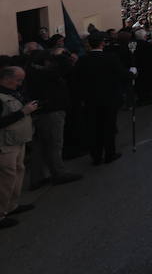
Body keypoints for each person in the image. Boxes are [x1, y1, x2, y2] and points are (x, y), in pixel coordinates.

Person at [24, 51, 81, 188]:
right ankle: (59, 173)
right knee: (54, 144)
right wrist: (60, 55)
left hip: (40, 111)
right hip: (51, 111)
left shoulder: (30, 72)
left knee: (39, 146)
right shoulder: (46, 74)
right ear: (45, 62)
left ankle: (37, 177)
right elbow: (66, 67)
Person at [75, 32, 130, 165]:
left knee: (94, 128)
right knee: (109, 127)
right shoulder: (110, 58)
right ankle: (109, 154)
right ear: (102, 43)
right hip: (109, 99)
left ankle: (96, 156)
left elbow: (77, 80)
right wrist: (132, 74)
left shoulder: (82, 60)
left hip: (90, 100)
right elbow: (123, 74)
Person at [0, 66, 37, 229]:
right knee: (6, 178)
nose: (20, 83)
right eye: (18, 80)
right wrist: (23, 112)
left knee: (17, 172)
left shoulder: (13, 92)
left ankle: (11, 206)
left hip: (18, 140)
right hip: (5, 144)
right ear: (6, 79)